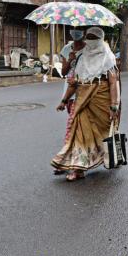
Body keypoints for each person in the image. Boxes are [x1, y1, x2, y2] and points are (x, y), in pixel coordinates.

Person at [52, 27, 120, 181]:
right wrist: (64, 100)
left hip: (101, 103)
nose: (90, 40)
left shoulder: (108, 57)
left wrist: (114, 105)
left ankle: (107, 156)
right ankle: (78, 168)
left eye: (93, 37)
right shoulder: (82, 57)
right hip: (82, 101)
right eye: (88, 37)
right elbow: (74, 82)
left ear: (100, 39)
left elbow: (113, 82)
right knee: (79, 134)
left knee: (102, 135)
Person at [53, 29, 86, 175]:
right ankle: (68, 161)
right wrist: (71, 59)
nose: (76, 32)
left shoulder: (90, 49)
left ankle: (72, 162)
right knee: (73, 127)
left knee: (76, 128)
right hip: (70, 92)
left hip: (86, 91)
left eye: (79, 30)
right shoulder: (67, 49)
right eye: (73, 30)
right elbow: (64, 72)